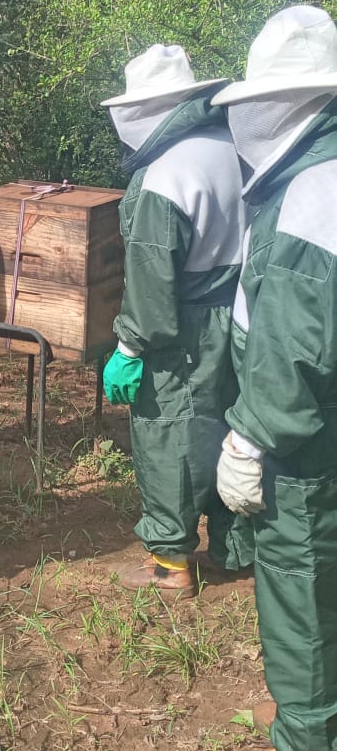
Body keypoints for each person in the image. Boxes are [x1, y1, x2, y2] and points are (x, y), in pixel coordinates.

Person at [212, 5, 337, 751]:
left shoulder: (313, 191)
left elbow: (293, 342)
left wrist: (249, 436)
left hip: (305, 437)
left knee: (299, 576)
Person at [100, 43, 254, 595]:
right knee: (233, 426)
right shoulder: (234, 146)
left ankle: (171, 565)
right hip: (241, 313)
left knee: (172, 435)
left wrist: (130, 348)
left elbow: (151, 280)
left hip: (183, 326)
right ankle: (236, 550)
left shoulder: (165, 174)